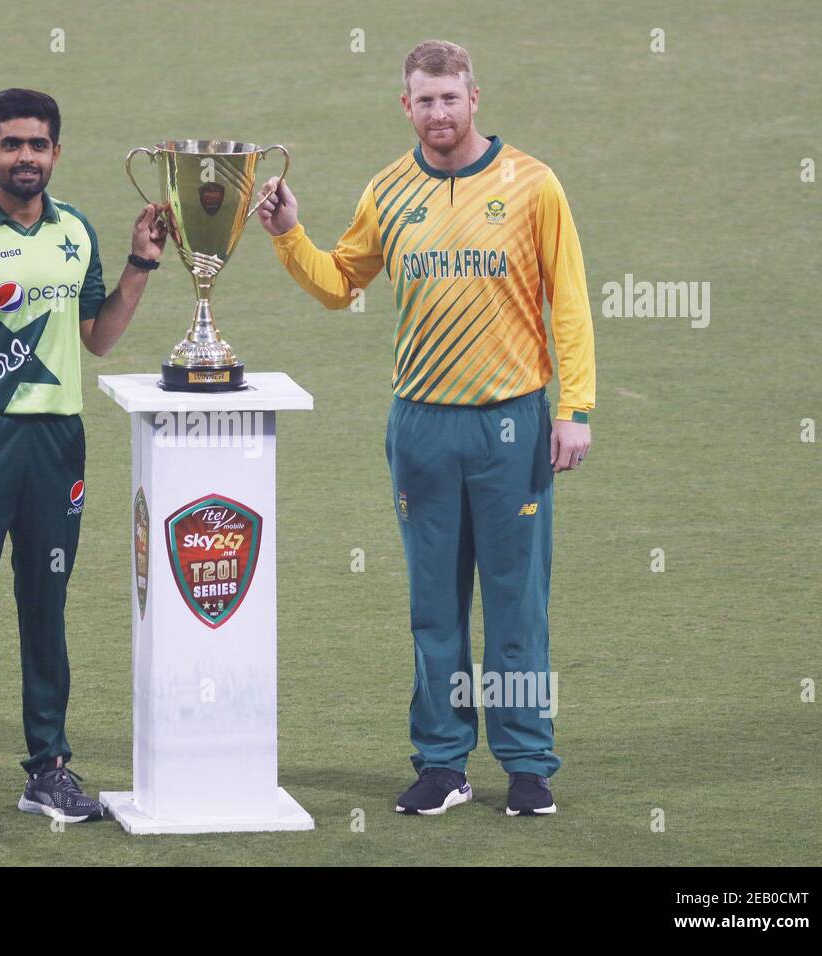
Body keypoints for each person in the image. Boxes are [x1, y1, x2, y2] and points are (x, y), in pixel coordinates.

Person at [256, 41, 595, 817]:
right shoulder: (388, 189)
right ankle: (443, 764)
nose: (439, 113)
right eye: (424, 100)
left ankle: (527, 765)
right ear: (405, 108)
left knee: (518, 605)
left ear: (476, 99)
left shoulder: (534, 185)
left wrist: (574, 410)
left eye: (450, 98)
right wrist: (288, 234)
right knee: (434, 606)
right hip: (420, 427)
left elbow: (568, 304)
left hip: (512, 424)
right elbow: (342, 283)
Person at [0, 88, 167, 832]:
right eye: (13, 144)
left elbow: (99, 337)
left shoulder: (75, 232)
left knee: (46, 605)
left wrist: (139, 266)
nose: (27, 156)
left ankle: (47, 769)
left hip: (57, 444)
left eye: (40, 144)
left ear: (56, 152)